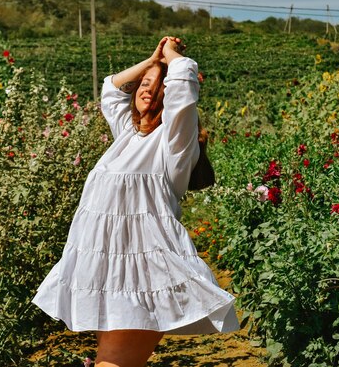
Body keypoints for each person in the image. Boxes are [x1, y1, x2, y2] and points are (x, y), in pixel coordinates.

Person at [32, 36, 239, 366]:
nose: (145, 89)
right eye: (143, 84)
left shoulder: (173, 144)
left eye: (156, 86)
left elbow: (184, 83)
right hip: (106, 271)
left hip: (141, 276)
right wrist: (151, 61)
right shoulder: (127, 134)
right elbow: (111, 89)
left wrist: (171, 55)